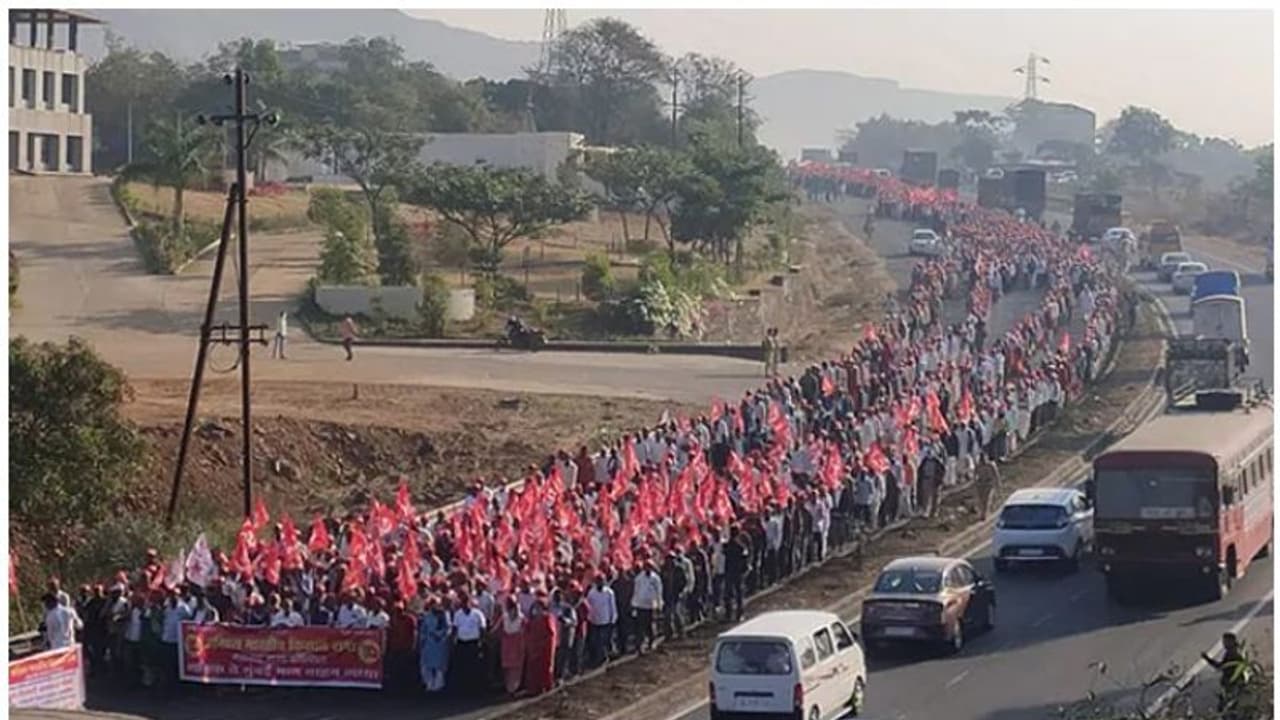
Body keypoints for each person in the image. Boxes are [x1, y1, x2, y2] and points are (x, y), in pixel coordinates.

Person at [1202, 632, 1251, 716]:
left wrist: (1207, 659)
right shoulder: (1237, 650)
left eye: (1225, 641)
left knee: (1225, 706)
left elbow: (1220, 666)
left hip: (1231, 682)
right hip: (1239, 679)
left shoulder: (1230, 654)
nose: (1223, 643)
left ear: (1230, 642)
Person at [451, 593, 487, 696]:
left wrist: (481, 642)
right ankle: (464, 689)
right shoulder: (458, 614)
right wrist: (453, 642)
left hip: (474, 643)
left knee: (474, 667)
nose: (465, 604)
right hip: (462, 643)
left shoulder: (478, 614)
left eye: (466, 601)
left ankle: (475, 689)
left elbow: (482, 629)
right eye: (463, 602)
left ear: (470, 602)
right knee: (463, 667)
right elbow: (455, 629)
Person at [522, 595, 558, 696]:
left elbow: (551, 634)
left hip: (545, 647)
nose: (536, 609)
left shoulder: (548, 618)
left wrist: (545, 645)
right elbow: (528, 631)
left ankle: (545, 686)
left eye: (539, 606)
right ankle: (533, 687)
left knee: (545, 666)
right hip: (534, 646)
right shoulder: (532, 619)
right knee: (533, 667)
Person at [419, 598, 451, 693]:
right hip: (429, 643)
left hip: (440, 643)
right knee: (428, 665)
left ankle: (438, 685)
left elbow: (448, 628)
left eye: (435, 604)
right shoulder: (427, 616)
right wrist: (423, 640)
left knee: (439, 666)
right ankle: (429, 684)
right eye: (431, 604)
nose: (433, 606)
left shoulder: (444, 615)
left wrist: (439, 635)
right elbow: (423, 630)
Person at [630, 561, 662, 654]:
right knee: (640, 626)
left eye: (649, 567)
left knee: (650, 625)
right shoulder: (639, 578)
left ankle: (652, 641)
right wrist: (634, 604)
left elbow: (659, 592)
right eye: (646, 567)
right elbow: (636, 591)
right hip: (641, 605)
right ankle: (640, 645)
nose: (648, 568)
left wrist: (659, 604)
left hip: (651, 605)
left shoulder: (655, 578)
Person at [497, 596, 526, 696]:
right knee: (509, 667)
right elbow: (498, 629)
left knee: (515, 667)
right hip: (508, 644)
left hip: (516, 643)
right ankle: (510, 687)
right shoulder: (505, 617)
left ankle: (513, 688)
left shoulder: (521, 618)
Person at [974, 452, 1001, 520]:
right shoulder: (978, 465)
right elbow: (975, 474)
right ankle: (982, 512)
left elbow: (996, 475)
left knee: (987, 499)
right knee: (981, 499)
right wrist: (976, 483)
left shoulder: (991, 465)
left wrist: (997, 484)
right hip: (981, 484)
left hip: (989, 483)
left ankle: (984, 514)